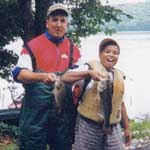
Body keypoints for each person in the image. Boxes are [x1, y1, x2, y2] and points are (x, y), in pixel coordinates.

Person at [12, 3, 84, 150]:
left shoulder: (73, 49)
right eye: (55, 20)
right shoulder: (32, 46)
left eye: (62, 21)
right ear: (47, 23)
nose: (58, 24)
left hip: (63, 118)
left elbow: (80, 79)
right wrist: (41, 77)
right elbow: (19, 74)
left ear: (67, 25)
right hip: (35, 117)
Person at [61, 38, 132, 150]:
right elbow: (65, 77)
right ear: (100, 54)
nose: (111, 55)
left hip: (113, 127)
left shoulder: (119, 75)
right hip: (89, 124)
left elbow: (121, 104)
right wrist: (88, 73)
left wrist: (127, 128)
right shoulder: (89, 68)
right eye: (107, 51)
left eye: (115, 53)